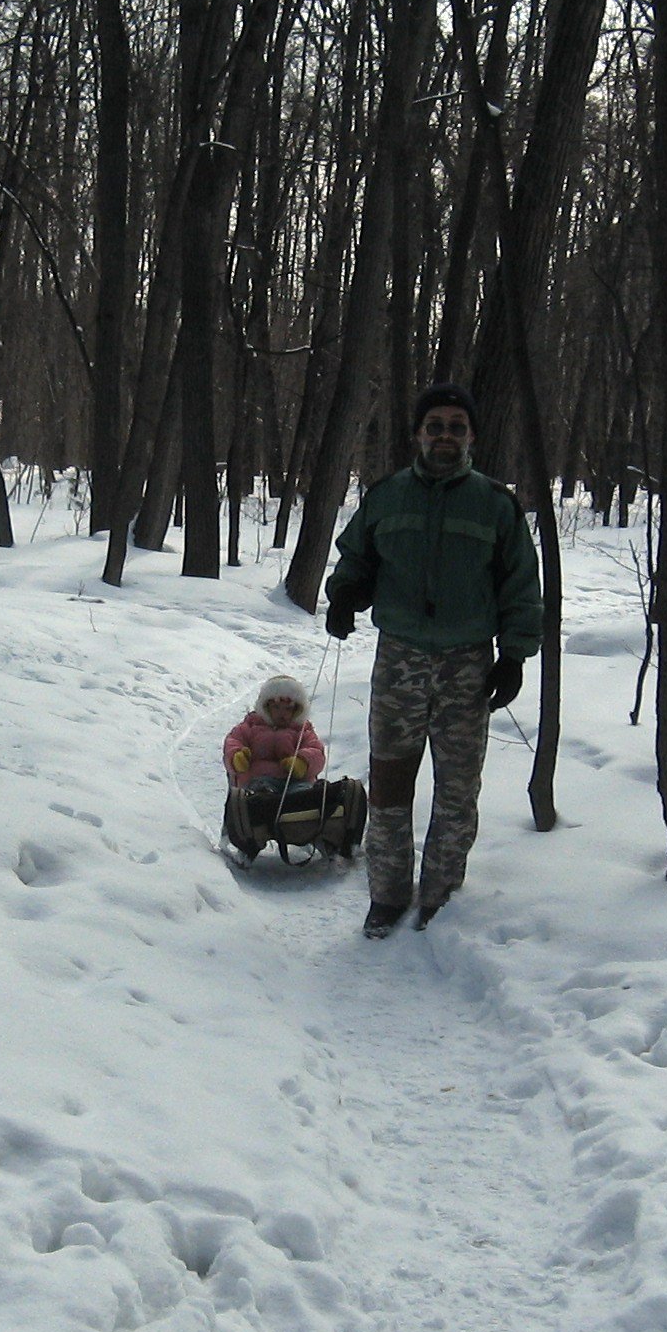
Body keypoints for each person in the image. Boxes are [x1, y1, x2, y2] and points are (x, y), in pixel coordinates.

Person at [322, 383, 541, 936]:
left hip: (468, 666)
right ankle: (388, 894)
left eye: (456, 427)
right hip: (399, 662)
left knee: (458, 789)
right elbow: (355, 558)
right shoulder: (386, 497)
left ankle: (440, 893)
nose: (446, 435)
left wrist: (514, 656)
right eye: (435, 426)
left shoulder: (496, 505)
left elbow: (521, 586)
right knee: (390, 784)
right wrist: (344, 594)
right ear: (418, 434)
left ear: (471, 437)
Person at [223, 674, 326, 793]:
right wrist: (237, 756)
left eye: (288, 709)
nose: (282, 713)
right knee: (260, 787)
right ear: (266, 707)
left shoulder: (302, 730)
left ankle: (304, 798)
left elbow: (315, 750)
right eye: (276, 707)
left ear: (297, 710)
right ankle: (263, 797)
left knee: (303, 790)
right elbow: (234, 741)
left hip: (294, 780)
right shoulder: (251, 726)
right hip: (259, 777)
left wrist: (303, 762)